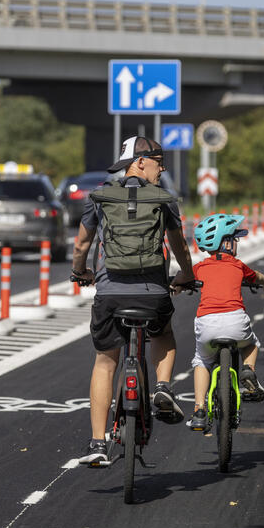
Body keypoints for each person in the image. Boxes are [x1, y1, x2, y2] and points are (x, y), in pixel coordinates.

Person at [71, 136, 195, 465]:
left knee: (105, 362)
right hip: (153, 294)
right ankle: (164, 387)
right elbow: (179, 244)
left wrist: (79, 272)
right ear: (140, 163)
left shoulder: (99, 196)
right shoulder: (163, 198)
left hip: (110, 295)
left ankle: (98, 444)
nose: (162, 168)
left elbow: (81, 246)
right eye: (158, 161)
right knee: (164, 332)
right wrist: (186, 274)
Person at [179, 214, 264, 430]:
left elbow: (181, 278)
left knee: (201, 361)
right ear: (226, 242)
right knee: (252, 344)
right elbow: (258, 277)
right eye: (235, 238)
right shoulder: (238, 266)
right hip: (236, 321)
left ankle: (199, 411)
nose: (237, 242)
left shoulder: (199, 267)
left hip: (206, 323)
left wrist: (177, 286)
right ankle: (248, 370)